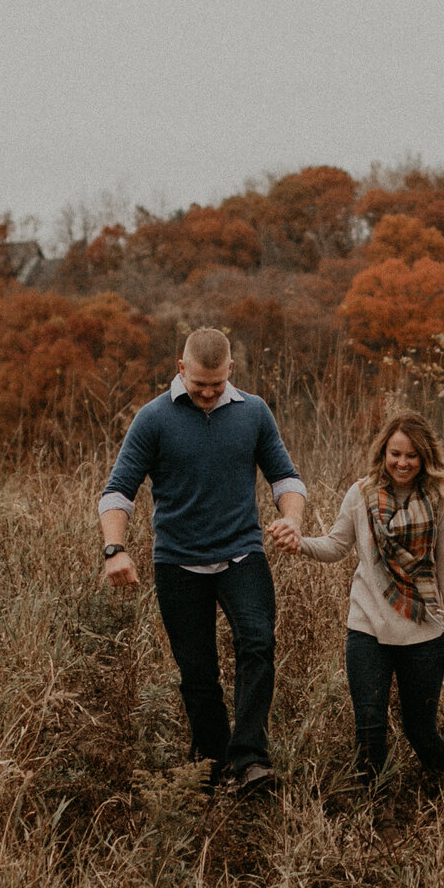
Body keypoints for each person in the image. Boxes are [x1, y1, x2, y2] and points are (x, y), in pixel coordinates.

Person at [99, 328, 307, 795]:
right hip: (178, 562)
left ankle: (250, 758)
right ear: (181, 369)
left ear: (230, 370)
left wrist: (291, 520)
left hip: (242, 554)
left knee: (257, 644)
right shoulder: (153, 419)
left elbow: (285, 479)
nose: (209, 393)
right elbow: (117, 492)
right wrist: (115, 548)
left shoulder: (253, 412)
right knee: (198, 672)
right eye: (199, 385)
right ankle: (211, 766)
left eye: (216, 384)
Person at [269, 410, 444, 789]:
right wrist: (299, 544)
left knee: (420, 731)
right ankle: (377, 811)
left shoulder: (441, 501)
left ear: (425, 458)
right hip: (367, 628)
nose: (402, 463)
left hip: (423, 632)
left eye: (411, 455)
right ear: (383, 453)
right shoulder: (361, 494)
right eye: (395, 454)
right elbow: (336, 545)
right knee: (370, 729)